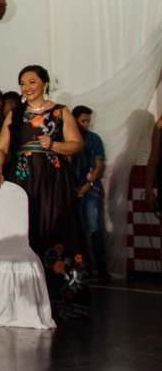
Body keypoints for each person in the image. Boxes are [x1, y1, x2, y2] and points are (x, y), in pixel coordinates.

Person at [0, 65, 88, 319]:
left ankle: (62, 300)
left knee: (57, 229)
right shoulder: (16, 113)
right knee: (26, 230)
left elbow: (77, 145)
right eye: (23, 83)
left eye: (32, 82)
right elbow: (0, 147)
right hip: (24, 181)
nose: (27, 88)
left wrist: (54, 145)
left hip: (54, 181)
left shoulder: (60, 112)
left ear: (45, 84)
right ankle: (25, 300)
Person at [72, 105, 108, 282]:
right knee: (77, 230)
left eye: (88, 121)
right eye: (83, 121)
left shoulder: (94, 139)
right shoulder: (67, 139)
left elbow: (99, 166)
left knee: (94, 227)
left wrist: (88, 185)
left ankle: (101, 269)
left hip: (90, 188)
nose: (86, 124)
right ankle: (82, 268)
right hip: (72, 189)